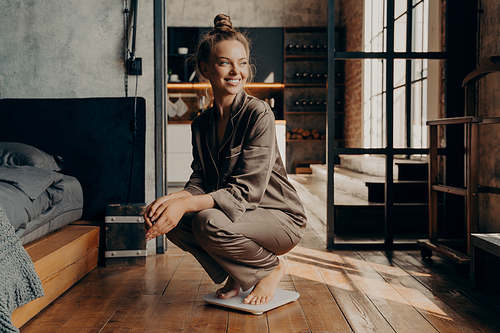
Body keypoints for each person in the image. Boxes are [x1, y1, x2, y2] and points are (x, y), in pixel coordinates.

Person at [144, 14, 307, 306]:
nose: (236, 71)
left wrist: (184, 204)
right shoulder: (201, 123)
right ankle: (238, 274)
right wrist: (172, 201)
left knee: (206, 221)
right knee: (177, 222)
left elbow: (246, 192)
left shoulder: (259, 114)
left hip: (279, 218)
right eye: (225, 63)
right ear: (205, 68)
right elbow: (199, 180)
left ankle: (270, 268)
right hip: (241, 217)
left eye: (242, 62)